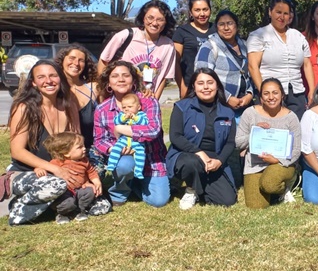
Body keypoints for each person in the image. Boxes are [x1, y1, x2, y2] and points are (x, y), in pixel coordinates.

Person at [7, 61, 81, 225]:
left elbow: (77, 143)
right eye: (41, 77)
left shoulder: (69, 106)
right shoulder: (24, 108)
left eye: (53, 75)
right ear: (33, 82)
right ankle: (18, 211)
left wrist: (82, 174)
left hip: (58, 170)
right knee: (56, 184)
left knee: (101, 204)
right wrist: (56, 169)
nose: (48, 81)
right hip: (24, 172)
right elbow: (17, 151)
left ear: (60, 78)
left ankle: (55, 204)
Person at [94, 61, 170, 208]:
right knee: (125, 164)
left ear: (134, 80)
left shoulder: (148, 101)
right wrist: (113, 149)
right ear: (109, 83)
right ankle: (120, 190)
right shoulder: (102, 109)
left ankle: (134, 182)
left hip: (151, 158)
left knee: (158, 201)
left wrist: (120, 129)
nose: (120, 79)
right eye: (115, 76)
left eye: (125, 75)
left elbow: (153, 130)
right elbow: (99, 140)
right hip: (123, 156)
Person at [166, 69, 238, 209]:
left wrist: (219, 161)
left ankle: (200, 186)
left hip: (214, 159)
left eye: (210, 83)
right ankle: (191, 189)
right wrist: (199, 152)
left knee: (227, 200)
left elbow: (230, 143)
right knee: (191, 162)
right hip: (187, 154)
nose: (206, 87)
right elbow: (175, 136)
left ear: (217, 85)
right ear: (194, 86)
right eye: (200, 83)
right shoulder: (182, 107)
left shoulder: (227, 112)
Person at [235, 78, 302, 209]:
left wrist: (276, 160)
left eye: (275, 93)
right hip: (254, 165)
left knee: (270, 183)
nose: (271, 97)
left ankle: (286, 185)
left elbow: (296, 150)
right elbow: (238, 143)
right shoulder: (250, 113)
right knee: (256, 207)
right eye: (266, 93)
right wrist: (254, 133)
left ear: (282, 95)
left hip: (282, 163)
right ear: (260, 97)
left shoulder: (291, 117)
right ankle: (274, 193)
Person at [247, 0, 314, 120]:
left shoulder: (298, 36)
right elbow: (253, 66)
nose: (281, 17)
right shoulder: (258, 35)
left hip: (296, 93)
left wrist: (312, 90)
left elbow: (307, 64)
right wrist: (264, 93)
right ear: (270, 12)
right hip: (271, 95)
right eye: (278, 12)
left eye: (285, 13)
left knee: (295, 130)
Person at [97, 0, 177, 100]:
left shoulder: (168, 45)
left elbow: (163, 77)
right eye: (150, 18)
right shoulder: (126, 36)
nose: (154, 23)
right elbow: (103, 61)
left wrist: (154, 101)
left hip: (146, 101)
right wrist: (104, 92)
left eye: (160, 19)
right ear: (143, 18)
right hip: (120, 99)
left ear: (166, 22)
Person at [194, 9, 254, 119]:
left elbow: (252, 73)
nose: (226, 28)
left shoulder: (245, 46)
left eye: (230, 23)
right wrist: (227, 98)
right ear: (216, 27)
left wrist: (250, 94)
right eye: (221, 24)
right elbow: (201, 79)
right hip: (219, 108)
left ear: (236, 25)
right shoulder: (209, 48)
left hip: (245, 108)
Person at [55, 44, 103, 172]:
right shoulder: (53, 89)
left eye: (81, 60)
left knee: (93, 175)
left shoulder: (94, 88)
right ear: (62, 60)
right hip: (64, 149)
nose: (76, 63)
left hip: (91, 149)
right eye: (72, 58)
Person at [41, 132, 102, 224]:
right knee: (66, 203)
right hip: (65, 192)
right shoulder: (58, 162)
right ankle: (62, 213)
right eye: (79, 147)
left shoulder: (84, 161)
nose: (84, 149)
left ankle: (80, 210)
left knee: (90, 192)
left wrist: (97, 182)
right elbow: (45, 167)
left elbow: (91, 172)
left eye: (84, 146)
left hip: (80, 189)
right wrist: (38, 169)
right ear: (66, 153)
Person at [173, 0, 216, 97]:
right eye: (197, 10)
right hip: (191, 87)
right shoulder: (181, 32)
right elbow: (175, 63)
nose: (202, 14)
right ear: (191, 12)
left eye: (205, 9)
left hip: (214, 87)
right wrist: (182, 87)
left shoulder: (217, 29)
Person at [105, 93, 148, 180]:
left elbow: (145, 123)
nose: (127, 109)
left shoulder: (141, 115)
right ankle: (111, 164)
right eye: (124, 107)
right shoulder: (122, 115)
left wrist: (135, 118)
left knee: (141, 154)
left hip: (137, 141)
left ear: (138, 107)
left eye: (130, 107)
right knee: (116, 148)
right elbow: (116, 121)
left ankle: (138, 171)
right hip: (124, 139)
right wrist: (124, 118)